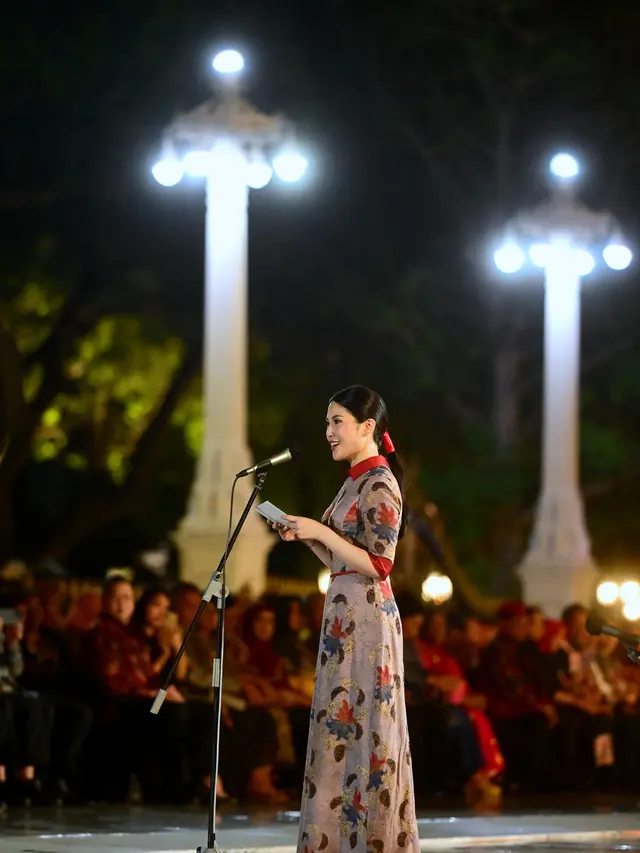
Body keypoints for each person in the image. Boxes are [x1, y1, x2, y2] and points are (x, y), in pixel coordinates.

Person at [271, 385, 419, 852]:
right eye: (328, 422)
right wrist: (307, 535)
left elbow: (379, 563)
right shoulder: (353, 479)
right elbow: (342, 558)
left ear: (367, 427)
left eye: (337, 421)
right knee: (339, 724)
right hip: (344, 615)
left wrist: (319, 530)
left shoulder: (379, 483)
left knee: (365, 726)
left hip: (368, 622)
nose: (329, 431)